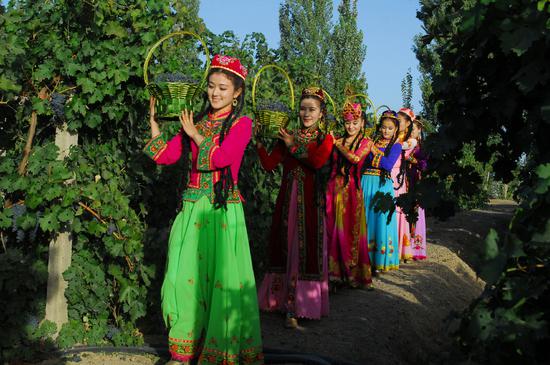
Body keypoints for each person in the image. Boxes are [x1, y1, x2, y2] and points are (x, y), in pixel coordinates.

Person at [143, 54, 263, 365]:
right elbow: (167, 156)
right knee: (181, 276)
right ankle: (182, 352)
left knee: (221, 281)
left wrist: (195, 135)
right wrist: (156, 127)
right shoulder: (196, 121)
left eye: (223, 88)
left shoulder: (242, 124)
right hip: (192, 207)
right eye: (211, 86)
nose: (215, 93)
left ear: (237, 92)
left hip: (222, 211)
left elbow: (223, 157)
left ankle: (218, 352)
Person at [256, 86, 334, 329]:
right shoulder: (287, 134)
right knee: (284, 245)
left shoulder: (326, 139)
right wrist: (259, 142)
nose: (306, 114)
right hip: (287, 199)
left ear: (322, 113)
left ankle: (300, 305)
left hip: (310, 204)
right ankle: (279, 301)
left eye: (312, 109)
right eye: (303, 109)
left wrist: (292, 144)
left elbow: (316, 162)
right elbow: (269, 164)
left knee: (306, 249)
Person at [325, 101, 374, 290]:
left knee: (350, 231)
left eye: (355, 123)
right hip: (333, 188)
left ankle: (354, 274)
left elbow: (354, 158)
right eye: (347, 123)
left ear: (362, 122)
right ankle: (334, 274)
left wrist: (336, 143)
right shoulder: (337, 139)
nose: (351, 127)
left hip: (352, 191)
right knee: (333, 230)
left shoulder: (366, 143)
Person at [361, 110, 402, 273]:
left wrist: (372, 150)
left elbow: (387, 165)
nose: (386, 131)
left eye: (390, 128)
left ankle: (378, 260)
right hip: (366, 182)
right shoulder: (372, 142)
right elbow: (363, 160)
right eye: (384, 127)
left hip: (382, 186)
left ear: (395, 130)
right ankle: (363, 260)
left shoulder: (396, 145)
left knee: (380, 221)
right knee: (365, 219)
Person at [393, 108, 417, 263]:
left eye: (400, 120)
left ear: (408, 123)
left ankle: (400, 248)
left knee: (397, 210)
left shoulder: (410, 141)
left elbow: (401, 147)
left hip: (399, 177)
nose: (397, 122)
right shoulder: (392, 135)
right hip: (389, 174)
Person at [407, 118, 428, 260]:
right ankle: (404, 246)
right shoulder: (406, 143)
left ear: (419, 129)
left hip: (416, 181)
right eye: (410, 129)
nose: (411, 132)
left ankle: (415, 248)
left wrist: (411, 160)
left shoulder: (423, 147)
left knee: (415, 212)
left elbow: (424, 165)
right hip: (405, 181)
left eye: (413, 129)